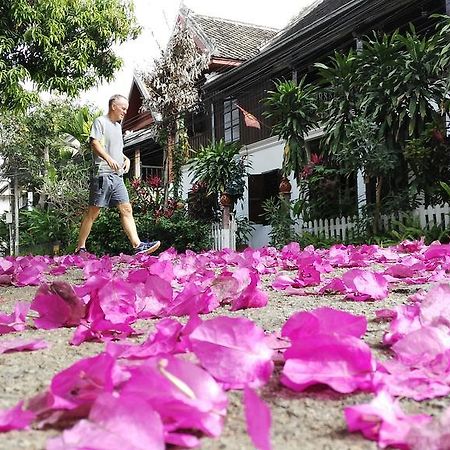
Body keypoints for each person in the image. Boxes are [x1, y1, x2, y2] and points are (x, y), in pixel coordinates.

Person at [75, 94, 160, 255]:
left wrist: (126, 159)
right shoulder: (100, 122)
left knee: (126, 209)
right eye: (123, 108)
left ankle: (137, 245)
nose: (125, 112)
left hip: (117, 176)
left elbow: (116, 150)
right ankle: (80, 247)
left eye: (126, 109)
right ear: (113, 106)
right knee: (94, 212)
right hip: (102, 175)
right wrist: (108, 159)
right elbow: (95, 143)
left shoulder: (117, 127)